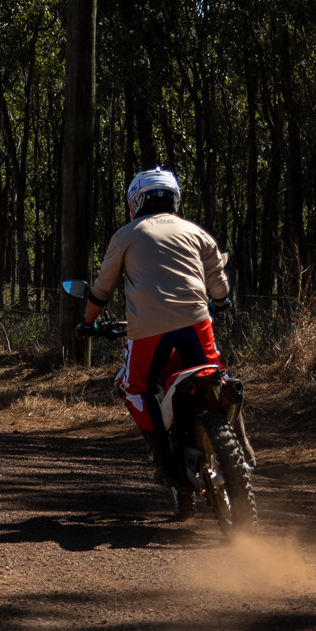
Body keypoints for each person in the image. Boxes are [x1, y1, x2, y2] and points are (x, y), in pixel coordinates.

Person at [81, 166, 231, 504]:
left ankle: (166, 463)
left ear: (135, 201)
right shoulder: (196, 232)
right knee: (216, 376)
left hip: (148, 330)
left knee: (135, 388)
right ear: (174, 199)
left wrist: (87, 323)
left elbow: (102, 290)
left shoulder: (126, 235)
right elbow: (218, 283)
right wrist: (221, 302)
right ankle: (232, 444)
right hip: (196, 322)